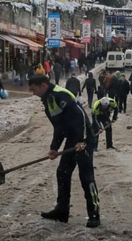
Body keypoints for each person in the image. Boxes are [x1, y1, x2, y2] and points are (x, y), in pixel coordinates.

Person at [28, 74, 101, 228]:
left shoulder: (61, 94)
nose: (33, 93)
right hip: (72, 140)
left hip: (84, 139)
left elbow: (80, 116)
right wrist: (54, 148)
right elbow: (59, 127)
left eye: (34, 89)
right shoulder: (48, 101)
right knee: (62, 173)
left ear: (43, 86)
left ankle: (94, 214)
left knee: (86, 177)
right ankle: (62, 211)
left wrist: (82, 140)